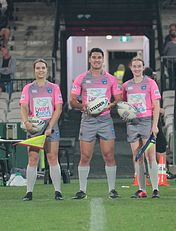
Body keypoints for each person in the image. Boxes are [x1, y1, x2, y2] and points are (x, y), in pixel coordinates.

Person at [70, 48, 122, 199]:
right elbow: (72, 100)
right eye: (94, 57)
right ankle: (82, 190)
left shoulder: (111, 79)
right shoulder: (81, 78)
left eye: (99, 57)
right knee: (85, 156)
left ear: (102, 59)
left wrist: (110, 106)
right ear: (89, 59)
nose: (96, 60)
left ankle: (112, 189)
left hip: (105, 120)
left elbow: (118, 98)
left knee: (109, 155)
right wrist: (82, 106)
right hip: (88, 120)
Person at [20, 59, 63, 201]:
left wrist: (50, 126)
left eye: (43, 68)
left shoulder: (54, 87)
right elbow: (24, 106)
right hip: (34, 128)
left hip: (51, 127)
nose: (40, 70)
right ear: (34, 70)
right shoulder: (28, 88)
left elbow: (59, 108)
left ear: (47, 70)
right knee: (33, 159)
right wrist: (26, 122)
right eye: (38, 68)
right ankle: (29, 192)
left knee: (52, 158)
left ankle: (58, 191)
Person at [121, 57, 161, 198]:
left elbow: (156, 105)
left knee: (150, 155)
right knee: (137, 156)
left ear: (143, 68)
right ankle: (141, 189)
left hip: (146, 121)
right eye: (134, 66)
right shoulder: (126, 85)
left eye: (139, 66)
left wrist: (154, 125)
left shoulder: (151, 83)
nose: (137, 69)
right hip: (132, 123)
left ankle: (155, 189)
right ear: (131, 68)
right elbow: (123, 105)